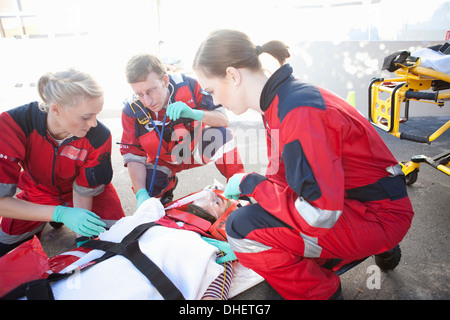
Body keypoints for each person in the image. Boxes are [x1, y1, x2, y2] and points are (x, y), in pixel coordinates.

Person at [192, 29, 415, 300]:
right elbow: (284, 178)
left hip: (376, 215)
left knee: (243, 229)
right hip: (366, 203)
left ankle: (322, 293)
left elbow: (318, 214)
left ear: (232, 75)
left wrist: (252, 185)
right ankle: (374, 248)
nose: (214, 100)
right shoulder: (281, 100)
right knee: (262, 220)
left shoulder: (298, 112)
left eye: (212, 90)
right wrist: (261, 195)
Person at [2, 188, 239, 300]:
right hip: (57, 287)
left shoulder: (208, 249)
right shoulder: (153, 215)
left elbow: (214, 293)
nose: (208, 194)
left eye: (216, 200)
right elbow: (149, 202)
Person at [0, 69, 125, 257]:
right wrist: (58, 213)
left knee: (120, 238)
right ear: (56, 109)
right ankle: (52, 217)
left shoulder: (100, 135)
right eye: (85, 117)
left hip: (89, 194)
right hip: (39, 191)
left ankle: (55, 217)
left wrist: (84, 237)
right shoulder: (12, 124)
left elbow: (85, 189)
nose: (93, 123)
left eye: (96, 114)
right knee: (5, 248)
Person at [120, 53, 244, 207]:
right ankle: (168, 187)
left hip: (193, 151)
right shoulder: (131, 111)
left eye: (151, 91)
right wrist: (141, 194)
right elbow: (133, 156)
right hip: (164, 160)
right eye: (139, 94)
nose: (147, 101)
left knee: (221, 136)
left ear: (165, 80)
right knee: (146, 186)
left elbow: (222, 119)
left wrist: (195, 114)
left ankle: (240, 189)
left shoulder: (189, 85)